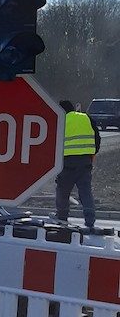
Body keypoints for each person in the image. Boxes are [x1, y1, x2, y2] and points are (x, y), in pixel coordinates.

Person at [55, 99, 100, 231]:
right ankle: (90, 219)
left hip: (66, 162)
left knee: (63, 190)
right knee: (85, 191)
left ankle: (62, 217)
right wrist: (92, 153)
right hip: (85, 161)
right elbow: (97, 137)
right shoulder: (86, 117)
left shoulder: (60, 120)